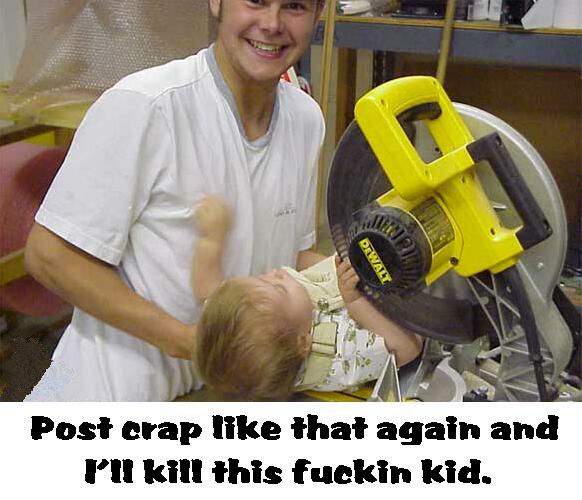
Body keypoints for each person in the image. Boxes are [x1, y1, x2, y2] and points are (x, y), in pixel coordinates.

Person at [23, 0, 327, 401]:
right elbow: (49, 256)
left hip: (203, 393)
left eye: (294, 6)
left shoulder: (305, 119)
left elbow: (291, 254)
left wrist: (370, 282)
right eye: (256, 1)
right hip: (100, 392)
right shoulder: (146, 104)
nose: (272, 23)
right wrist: (186, 342)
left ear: (319, 14)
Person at [192, 196, 423, 401]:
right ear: (303, 342)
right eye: (279, 288)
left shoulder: (271, 314)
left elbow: (207, 291)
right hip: (405, 292)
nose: (275, 273)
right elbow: (409, 347)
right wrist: (355, 302)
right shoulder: (341, 358)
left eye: (261, 278)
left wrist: (211, 239)